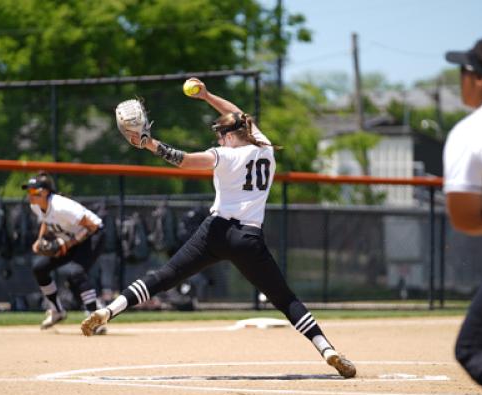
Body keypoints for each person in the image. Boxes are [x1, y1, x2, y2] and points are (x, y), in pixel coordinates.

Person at [82, 79, 356, 378]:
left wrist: (148, 142)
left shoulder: (224, 155)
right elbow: (239, 114)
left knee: (163, 277)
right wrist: (207, 96)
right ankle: (326, 349)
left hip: (215, 232)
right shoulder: (264, 148)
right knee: (285, 299)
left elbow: (183, 161)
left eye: (220, 134)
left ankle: (109, 311)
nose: (219, 138)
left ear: (229, 135)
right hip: (248, 238)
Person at [443, 38, 482, 392]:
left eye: (465, 71)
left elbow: (465, 219)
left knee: (474, 348)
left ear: (480, 79)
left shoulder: (472, 131)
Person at [23, 172, 106, 331]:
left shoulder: (62, 207)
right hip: (70, 239)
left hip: (93, 235)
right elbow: (45, 221)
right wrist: (39, 240)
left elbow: (92, 226)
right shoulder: (35, 205)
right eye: (28, 191)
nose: (30, 194)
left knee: (75, 271)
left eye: (34, 191)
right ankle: (57, 310)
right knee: (40, 268)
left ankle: (94, 316)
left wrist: (69, 244)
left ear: (45, 192)